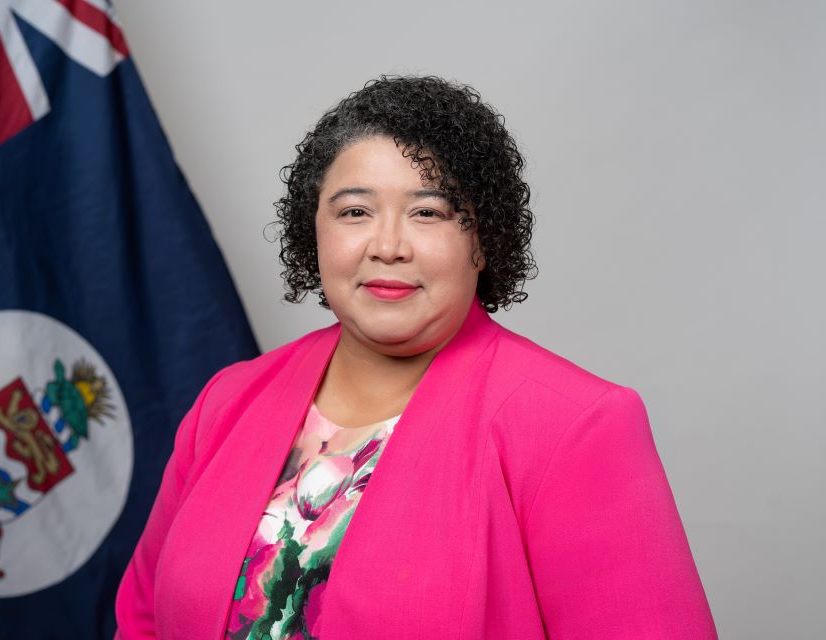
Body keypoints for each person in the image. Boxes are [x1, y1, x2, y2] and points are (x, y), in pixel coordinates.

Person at [114, 75, 717, 639]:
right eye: (354, 212)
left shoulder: (575, 426)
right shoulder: (229, 399)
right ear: (313, 230)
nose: (387, 246)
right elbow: (142, 621)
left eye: (428, 212)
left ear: (483, 239)